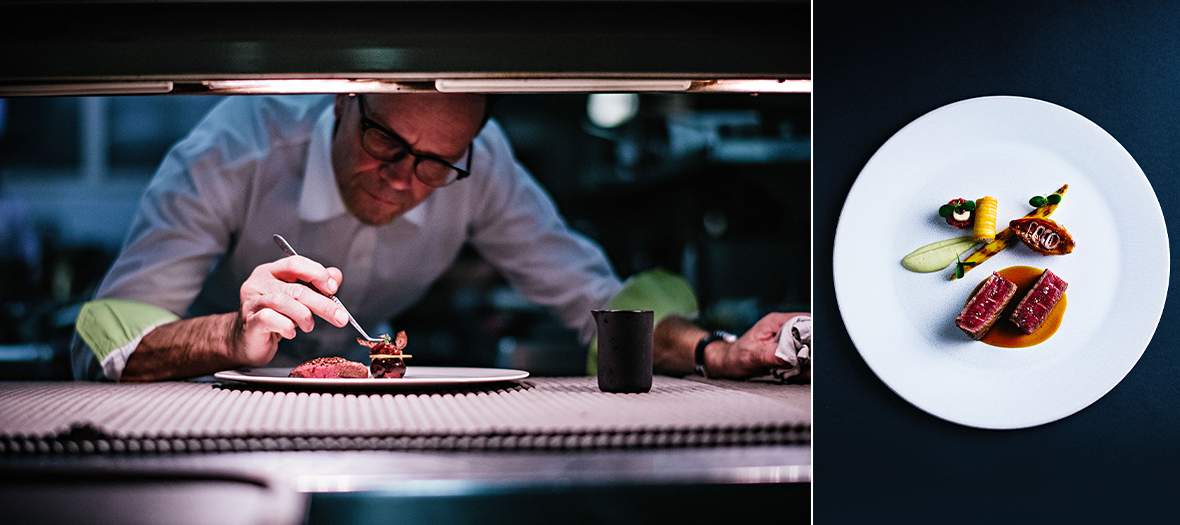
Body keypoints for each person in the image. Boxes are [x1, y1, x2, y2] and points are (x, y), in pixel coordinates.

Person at [70, 92, 805, 382]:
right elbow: (103, 339)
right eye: (384, 141)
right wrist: (229, 336)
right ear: (343, 102)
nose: (401, 179)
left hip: (369, 412)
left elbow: (602, 303)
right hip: (199, 402)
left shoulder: (479, 168)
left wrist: (716, 349)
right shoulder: (235, 151)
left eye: (434, 165)